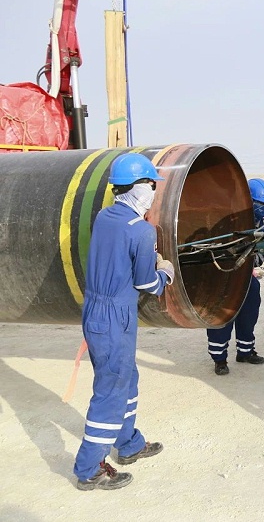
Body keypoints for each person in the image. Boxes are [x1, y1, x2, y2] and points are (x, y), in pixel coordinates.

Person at [73, 153, 175, 491]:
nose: (153, 192)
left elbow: (118, 253)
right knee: (111, 390)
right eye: (151, 185)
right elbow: (148, 284)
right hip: (115, 315)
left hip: (99, 310)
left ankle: (129, 444)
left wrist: (145, 255)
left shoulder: (106, 216)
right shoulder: (142, 230)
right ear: (138, 188)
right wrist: (165, 272)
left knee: (127, 378)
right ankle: (89, 468)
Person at [206, 178, 264, 375]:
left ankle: (245, 351)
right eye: (260, 203)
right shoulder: (227, 220)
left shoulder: (263, 225)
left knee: (249, 312)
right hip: (224, 277)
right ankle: (219, 359)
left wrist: (257, 256)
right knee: (222, 315)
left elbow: (261, 255)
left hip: (246, 277)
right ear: (247, 201)